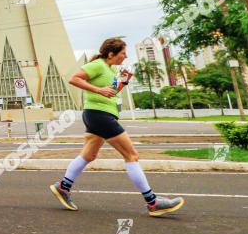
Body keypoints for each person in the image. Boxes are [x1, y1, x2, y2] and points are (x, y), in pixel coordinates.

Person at [49, 37, 184, 217]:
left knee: (89, 155)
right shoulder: (98, 64)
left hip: (97, 114)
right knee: (131, 155)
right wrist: (98, 90)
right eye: (123, 53)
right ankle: (153, 202)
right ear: (111, 53)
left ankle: (63, 187)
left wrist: (123, 82)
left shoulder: (110, 69)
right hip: (99, 115)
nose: (125, 56)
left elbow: (111, 93)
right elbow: (74, 79)